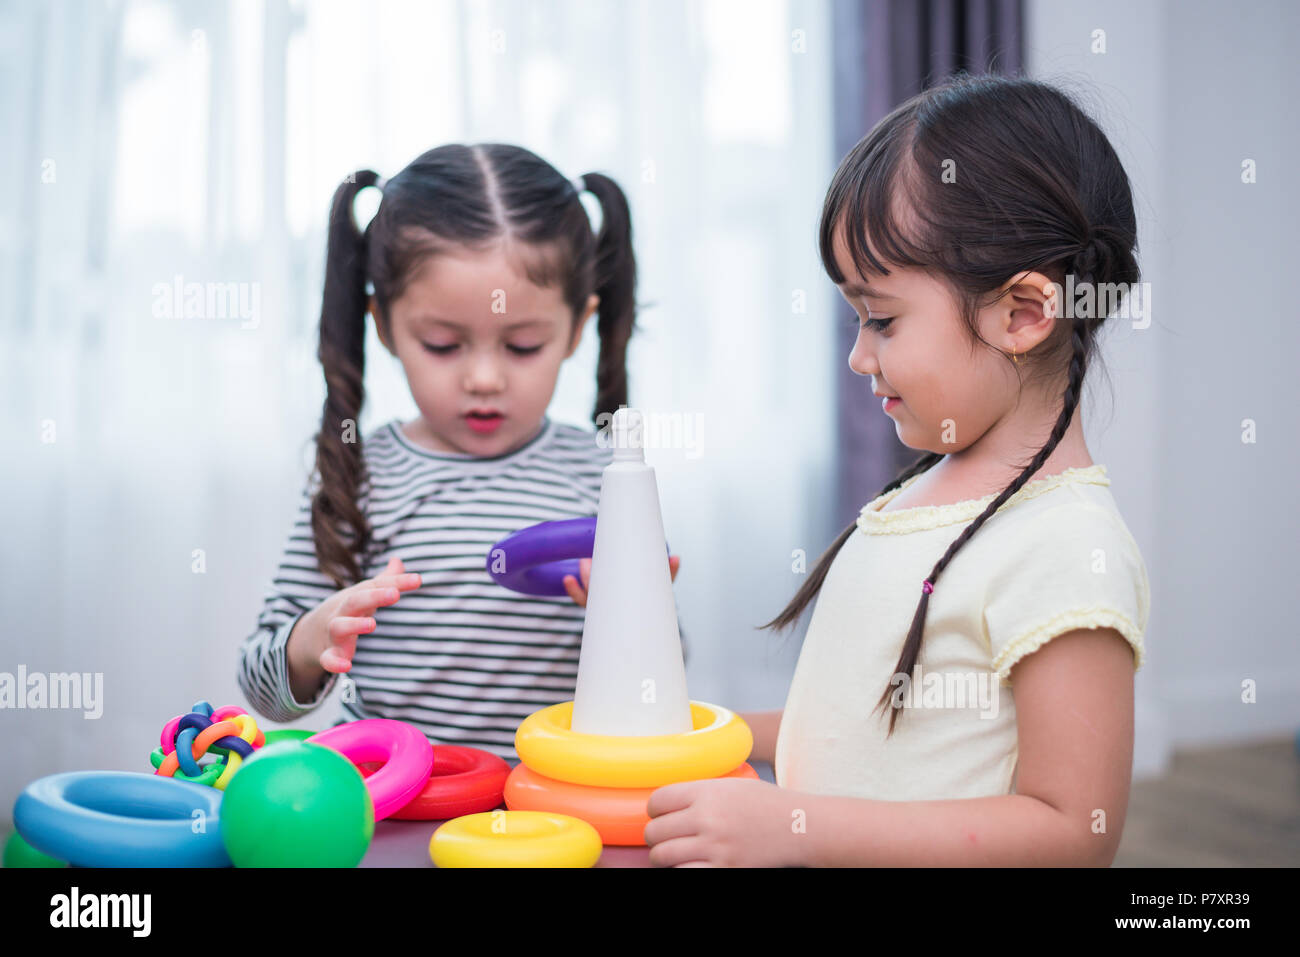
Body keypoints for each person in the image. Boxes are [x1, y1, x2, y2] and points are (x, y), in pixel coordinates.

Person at [648, 73, 1150, 866]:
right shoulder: (918, 496)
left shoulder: (1064, 543)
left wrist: (791, 826)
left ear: (1022, 312)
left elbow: (1071, 832)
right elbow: (863, 729)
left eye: (881, 319)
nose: (858, 355)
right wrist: (716, 734)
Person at [238, 144, 679, 759]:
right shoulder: (363, 474)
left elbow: (663, 685)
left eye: (522, 345)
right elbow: (263, 691)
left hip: (555, 820)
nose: (484, 379)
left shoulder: (606, 478)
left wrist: (635, 612)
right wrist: (314, 638)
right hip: (397, 812)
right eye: (443, 344)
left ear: (578, 327)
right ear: (386, 327)